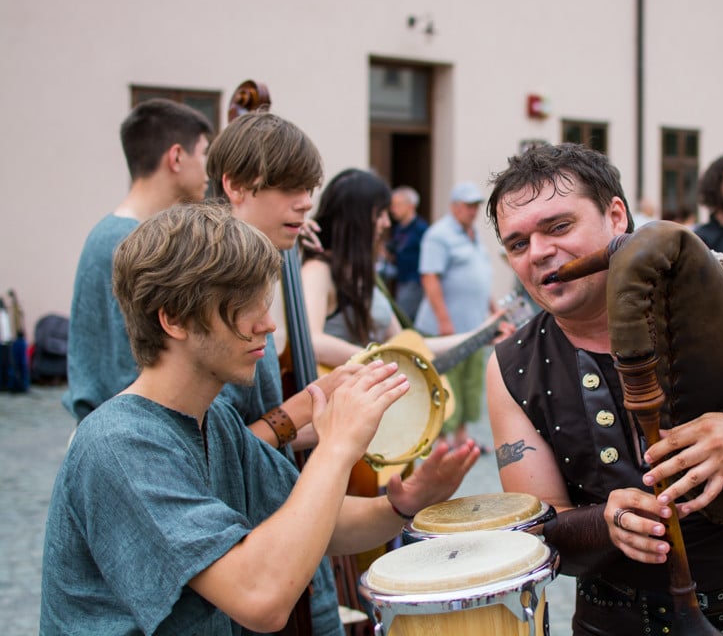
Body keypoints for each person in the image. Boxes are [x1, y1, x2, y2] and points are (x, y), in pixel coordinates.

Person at [484, 142, 723, 635]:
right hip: (619, 622)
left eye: (559, 226)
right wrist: (604, 525)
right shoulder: (511, 366)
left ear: (616, 216)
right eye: (517, 244)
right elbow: (538, 527)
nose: (539, 252)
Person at [40, 203, 474, 635]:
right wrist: (337, 448)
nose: (268, 324)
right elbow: (261, 599)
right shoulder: (120, 445)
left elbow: (322, 523)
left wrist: (403, 504)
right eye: (245, 306)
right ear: (173, 319)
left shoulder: (218, 422)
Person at [204, 110, 479, 634]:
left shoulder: (273, 270)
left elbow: (256, 459)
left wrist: (389, 479)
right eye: (289, 188)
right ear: (234, 187)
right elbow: (220, 459)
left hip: (287, 536)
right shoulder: (214, 310)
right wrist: (321, 427)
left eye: (309, 189)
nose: (306, 202)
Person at [62, 98, 213, 422]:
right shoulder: (122, 242)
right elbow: (125, 367)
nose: (208, 169)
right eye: (203, 154)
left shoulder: (119, 235)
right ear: (176, 157)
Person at [301, 168, 509, 373]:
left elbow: (406, 348)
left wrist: (479, 335)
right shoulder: (318, 271)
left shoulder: (363, 277)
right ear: (358, 217)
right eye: (380, 213)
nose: (387, 223)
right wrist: (379, 359)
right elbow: (311, 342)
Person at [415, 180, 496, 449]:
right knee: (447, 385)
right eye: (468, 206)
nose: (472, 211)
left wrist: (492, 307)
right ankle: (444, 440)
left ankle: (462, 437)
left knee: (470, 383)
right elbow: (429, 277)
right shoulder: (439, 234)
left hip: (473, 326)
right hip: (445, 330)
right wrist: (444, 320)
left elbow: (478, 277)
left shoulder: (472, 234)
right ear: (454, 206)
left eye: (475, 206)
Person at [387, 185, 429, 322]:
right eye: (392, 205)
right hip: (401, 280)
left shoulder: (421, 230)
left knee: (401, 319)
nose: (393, 210)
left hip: (415, 283)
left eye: (398, 205)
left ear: (411, 206)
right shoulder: (398, 229)